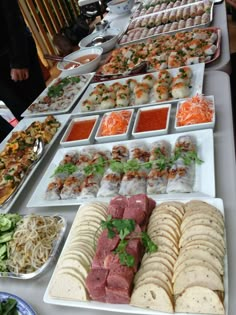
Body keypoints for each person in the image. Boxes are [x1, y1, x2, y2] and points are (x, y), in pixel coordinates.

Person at [0, 0, 46, 142]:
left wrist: (19, 61)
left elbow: (13, 17)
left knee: (41, 106)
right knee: (23, 116)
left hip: (13, 55)